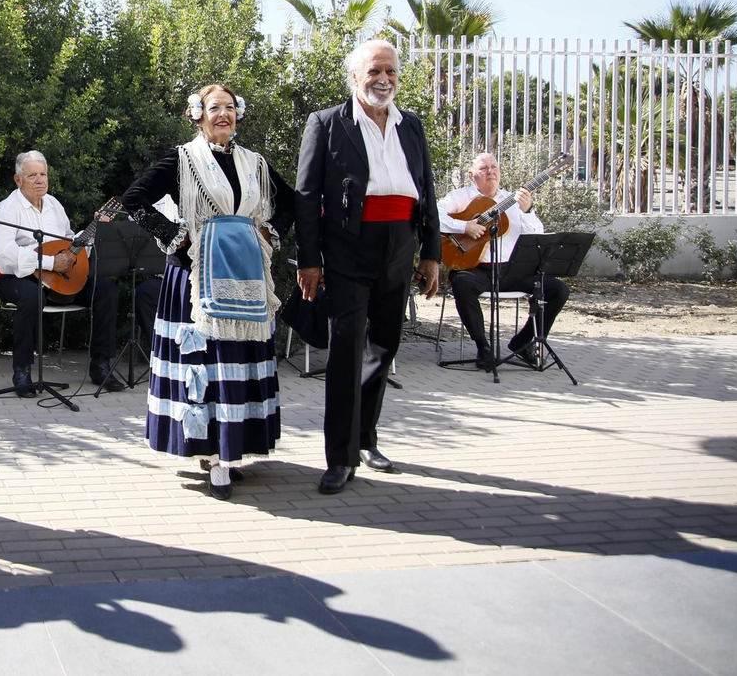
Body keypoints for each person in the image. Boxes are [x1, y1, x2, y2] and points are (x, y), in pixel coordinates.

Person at [117, 85, 294, 499]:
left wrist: (272, 232)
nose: (223, 115)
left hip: (245, 277)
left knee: (238, 360)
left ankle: (232, 446)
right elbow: (133, 199)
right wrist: (174, 236)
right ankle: (214, 457)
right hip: (195, 278)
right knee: (209, 367)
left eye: (230, 108)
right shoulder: (182, 159)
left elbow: (291, 203)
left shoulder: (254, 163)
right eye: (214, 108)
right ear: (197, 114)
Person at [296, 39, 441, 495]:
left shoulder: (411, 125)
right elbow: (305, 197)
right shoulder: (326, 124)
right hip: (347, 251)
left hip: (399, 248)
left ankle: (366, 439)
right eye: (375, 71)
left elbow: (427, 192)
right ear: (356, 77)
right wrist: (310, 259)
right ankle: (339, 458)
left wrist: (432, 253)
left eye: (391, 72)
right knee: (344, 354)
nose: (384, 80)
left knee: (384, 347)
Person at [0, 151, 129, 396]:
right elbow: (4, 255)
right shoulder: (7, 209)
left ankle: (100, 365)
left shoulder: (54, 205)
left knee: (105, 290)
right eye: (32, 175)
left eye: (43, 174)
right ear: (17, 180)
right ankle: (21, 371)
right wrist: (50, 263)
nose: (40, 180)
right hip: (16, 278)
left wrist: (94, 232)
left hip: (58, 282)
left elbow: (68, 242)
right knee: (32, 296)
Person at [441, 152, 570, 368]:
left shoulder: (514, 200)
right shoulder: (459, 197)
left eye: (494, 167)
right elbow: (435, 215)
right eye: (484, 168)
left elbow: (538, 233)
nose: (490, 171)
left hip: (512, 271)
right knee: (461, 282)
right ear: (472, 174)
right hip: (477, 269)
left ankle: (522, 341)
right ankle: (483, 348)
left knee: (558, 289)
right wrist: (465, 226)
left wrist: (527, 211)